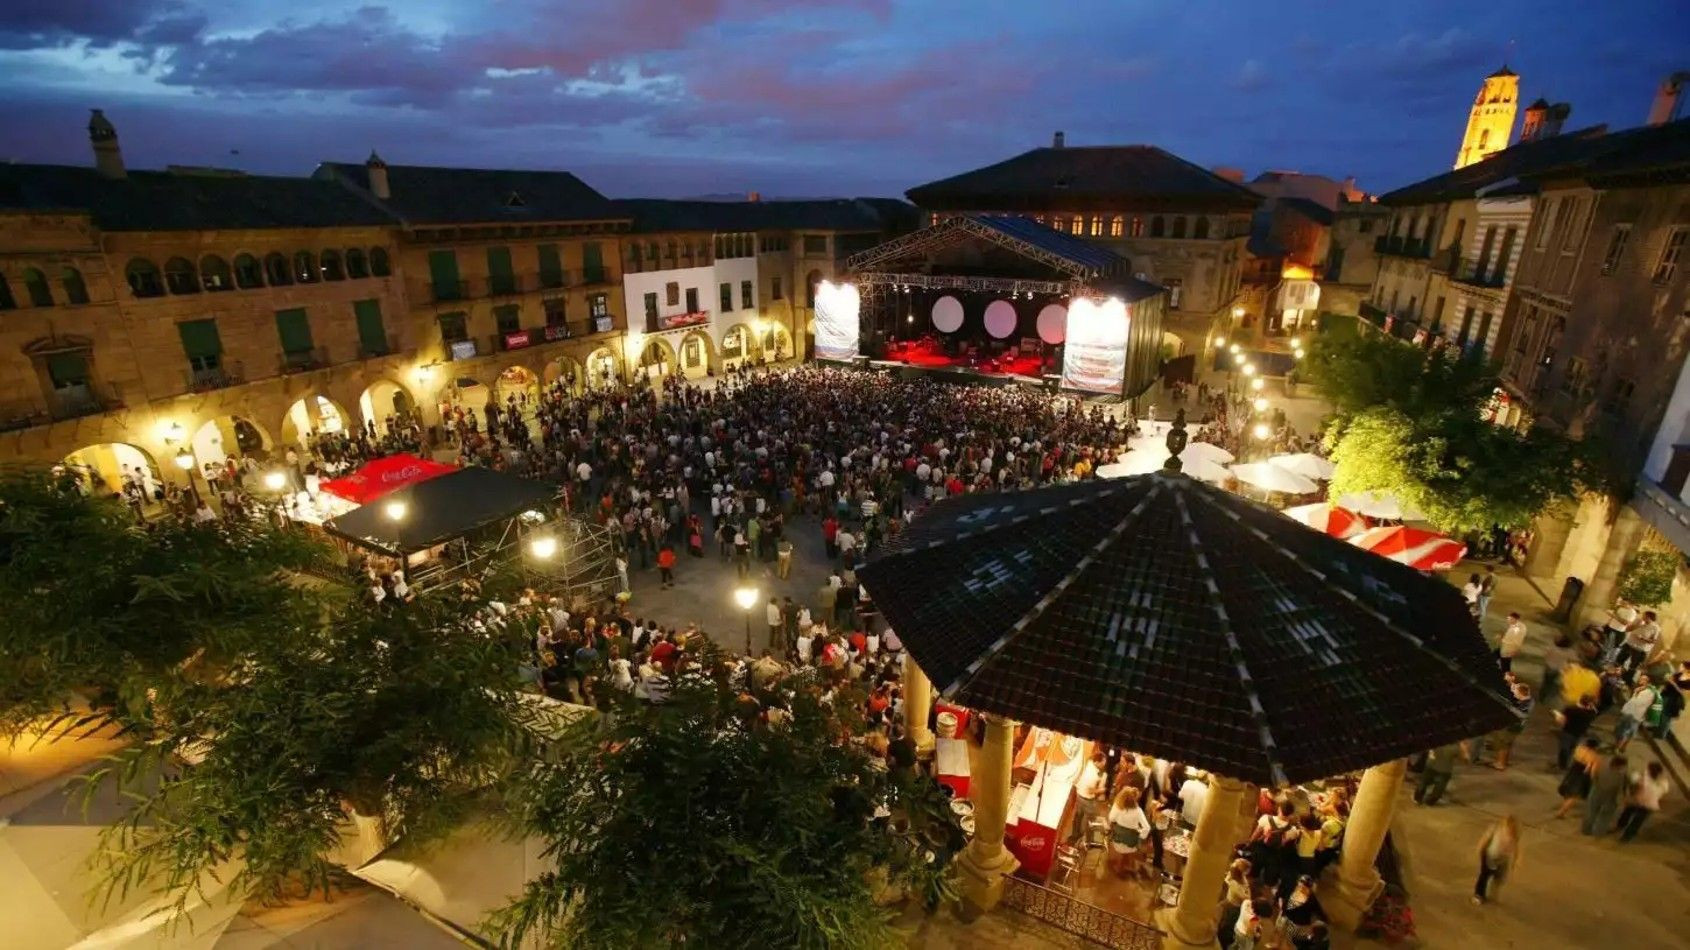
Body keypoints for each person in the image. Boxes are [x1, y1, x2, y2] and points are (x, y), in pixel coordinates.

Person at [1472, 814, 1521, 905]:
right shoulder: (1496, 830)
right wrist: (1480, 848)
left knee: (1499, 877)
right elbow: (1485, 839)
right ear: (1504, 825)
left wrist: (1515, 861)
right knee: (1484, 876)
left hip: (1502, 860)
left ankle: (1493, 889)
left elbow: (1516, 849)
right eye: (1508, 828)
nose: (1509, 831)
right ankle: (1478, 894)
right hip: (1489, 856)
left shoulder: (1514, 837)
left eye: (1512, 829)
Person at [1615, 761, 1669, 842]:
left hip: (1638, 801)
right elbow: (1664, 790)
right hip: (1650, 805)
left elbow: (1633, 780)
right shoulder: (1663, 782)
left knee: (1628, 811)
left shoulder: (1643, 778)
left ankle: (1621, 825)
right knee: (1637, 821)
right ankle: (1627, 836)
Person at [1553, 737, 1602, 819]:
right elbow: (1592, 771)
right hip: (1582, 776)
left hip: (1573, 771)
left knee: (1569, 791)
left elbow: (1573, 757)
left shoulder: (1579, 749)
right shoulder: (1595, 757)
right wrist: (1593, 780)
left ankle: (1563, 808)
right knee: (1574, 796)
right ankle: (1561, 812)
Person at [1106, 786, 1150, 878]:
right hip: (1131, 841)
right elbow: (1147, 828)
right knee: (1128, 852)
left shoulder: (1117, 806)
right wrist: (1140, 836)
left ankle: (1120, 867)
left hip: (1118, 838)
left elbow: (1111, 818)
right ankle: (1126, 864)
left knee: (1120, 851)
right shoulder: (1138, 811)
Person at [1581, 754, 1630, 836]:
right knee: (1605, 816)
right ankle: (1598, 832)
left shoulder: (1602, 765)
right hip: (1610, 796)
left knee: (1591, 811)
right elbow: (1620, 790)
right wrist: (1622, 801)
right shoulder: (1620, 775)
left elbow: (1593, 775)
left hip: (1596, 791)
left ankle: (1586, 830)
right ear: (1619, 765)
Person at [1068, 752, 1107, 845]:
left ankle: (1074, 836)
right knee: (1092, 818)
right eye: (1103, 762)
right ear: (1097, 762)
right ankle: (1088, 839)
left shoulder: (1087, 764)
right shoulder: (1093, 776)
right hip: (1087, 799)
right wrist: (1102, 790)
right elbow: (1090, 791)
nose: (1104, 764)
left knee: (1078, 817)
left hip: (1078, 795)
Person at [1553, 694, 1598, 769]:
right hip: (1579, 733)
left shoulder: (1571, 709)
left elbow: (1561, 720)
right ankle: (1565, 764)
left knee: (1564, 749)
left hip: (1568, 731)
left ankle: (1562, 765)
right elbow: (1594, 711)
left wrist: (1556, 714)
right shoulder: (1591, 713)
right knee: (1572, 748)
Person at [1613, 675, 1658, 751]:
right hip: (1632, 713)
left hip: (1634, 714)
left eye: (1643, 679)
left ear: (1648, 682)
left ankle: (1618, 747)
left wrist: (1628, 693)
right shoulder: (1639, 689)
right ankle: (1622, 747)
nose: (1640, 680)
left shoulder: (1649, 693)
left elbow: (1638, 702)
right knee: (1628, 731)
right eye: (1640, 679)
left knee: (1625, 731)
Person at [1413, 741, 1461, 806]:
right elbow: (1465, 758)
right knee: (1437, 788)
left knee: (1424, 783)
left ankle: (1419, 799)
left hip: (1432, 766)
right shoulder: (1454, 747)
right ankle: (1428, 801)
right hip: (1443, 769)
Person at [1619, 611, 1661, 677]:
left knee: (1632, 667)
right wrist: (1636, 625)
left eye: (1644, 616)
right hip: (1629, 644)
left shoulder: (1655, 628)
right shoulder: (1638, 621)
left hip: (1639, 650)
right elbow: (1627, 629)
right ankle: (1614, 675)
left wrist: (1643, 638)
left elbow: (1653, 641)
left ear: (1649, 617)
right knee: (1619, 660)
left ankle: (1626, 680)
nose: (1642, 617)